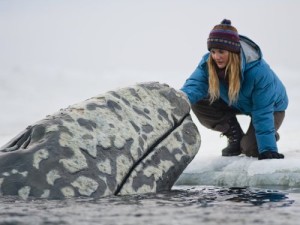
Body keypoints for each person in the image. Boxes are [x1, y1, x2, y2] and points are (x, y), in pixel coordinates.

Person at [181, 19, 288, 160]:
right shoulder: (208, 63)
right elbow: (194, 86)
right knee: (199, 100)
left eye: (221, 52)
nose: (216, 57)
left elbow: (263, 112)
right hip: (237, 101)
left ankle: (267, 137)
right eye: (212, 51)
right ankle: (235, 135)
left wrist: (268, 148)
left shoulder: (258, 72)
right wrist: (178, 101)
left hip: (271, 108)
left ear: (233, 52)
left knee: (250, 149)